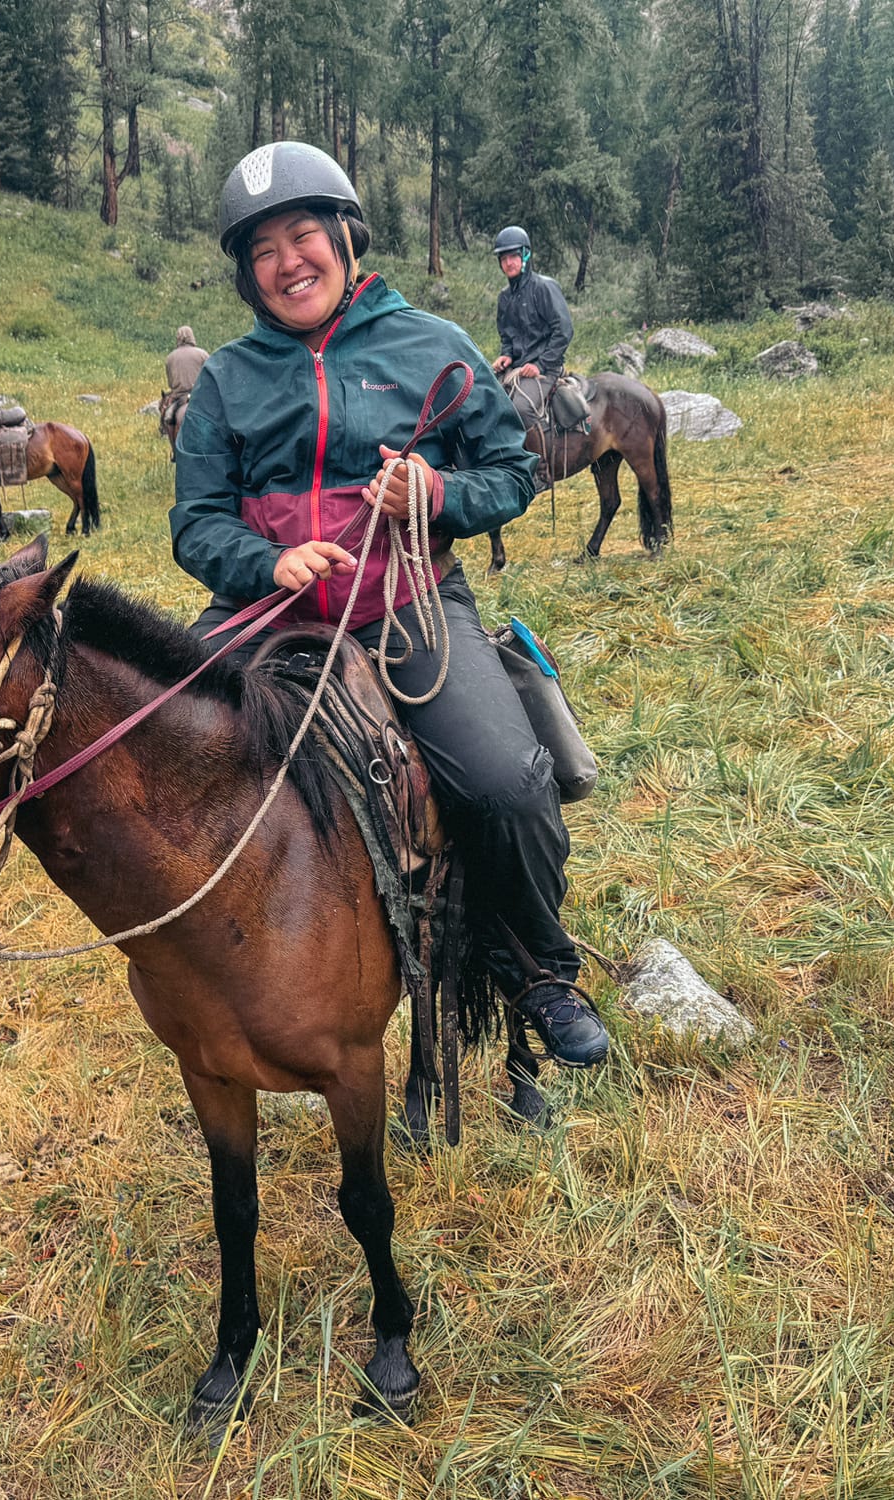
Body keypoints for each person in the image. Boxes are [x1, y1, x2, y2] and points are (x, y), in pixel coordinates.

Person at [169, 141, 609, 1068]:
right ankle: (206, 971)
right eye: (263, 252)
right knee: (160, 763)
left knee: (505, 783)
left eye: (303, 236)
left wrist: (437, 496)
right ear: (248, 277)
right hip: (266, 616)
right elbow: (195, 526)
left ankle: (536, 968)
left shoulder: (434, 347)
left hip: (407, 602)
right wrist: (267, 560)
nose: (288, 262)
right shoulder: (226, 381)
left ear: (345, 235)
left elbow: (514, 471)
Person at [488, 226, 575, 433]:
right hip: (517, 367)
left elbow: (563, 330)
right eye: (503, 258)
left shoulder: (544, 287)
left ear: (525, 255)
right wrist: (507, 355)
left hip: (545, 368)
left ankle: (541, 464)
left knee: (520, 408)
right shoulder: (505, 297)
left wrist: (540, 364)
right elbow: (507, 335)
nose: (508, 263)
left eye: (513, 256)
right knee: (485, 403)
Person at [161, 325, 208, 440]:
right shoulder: (202, 354)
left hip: (180, 398)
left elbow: (171, 384)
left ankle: (174, 451)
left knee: (168, 418)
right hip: (201, 396)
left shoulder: (170, 358)